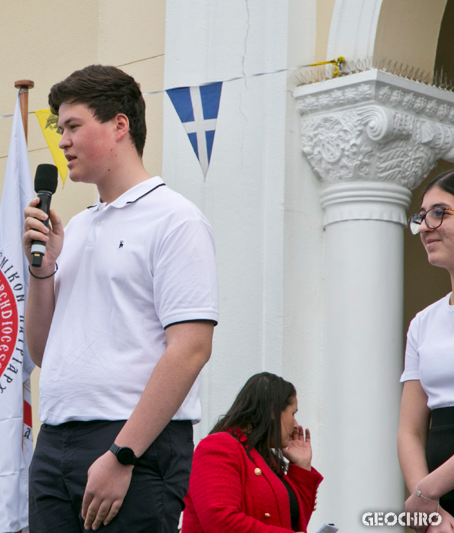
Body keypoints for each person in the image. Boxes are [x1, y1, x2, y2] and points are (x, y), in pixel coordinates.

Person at [22, 65, 219, 532]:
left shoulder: (175, 219)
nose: (62, 141)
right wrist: (42, 271)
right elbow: (41, 352)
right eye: (59, 129)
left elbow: (191, 349)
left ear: (119, 125)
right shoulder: (79, 226)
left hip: (132, 443)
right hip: (55, 444)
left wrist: (123, 453)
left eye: (73, 126)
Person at [181, 372, 322, 532]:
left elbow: (293, 523)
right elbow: (221, 521)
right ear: (273, 411)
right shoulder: (218, 446)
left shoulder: (265, 459)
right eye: (293, 413)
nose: (296, 425)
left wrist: (302, 466)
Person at [399, 169, 454, 532]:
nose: (424, 227)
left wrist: (425, 492)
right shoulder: (424, 322)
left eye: (439, 212)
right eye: (421, 217)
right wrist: (429, 510)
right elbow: (410, 430)